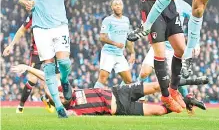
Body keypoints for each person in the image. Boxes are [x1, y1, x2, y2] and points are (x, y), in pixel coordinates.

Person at [18, 0, 87, 118]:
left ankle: (64, 81)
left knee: (64, 63)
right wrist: (26, 3)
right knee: (48, 66)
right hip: (40, 28)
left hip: (60, 25)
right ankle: (59, 107)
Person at [11, 64, 207, 117]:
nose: (61, 94)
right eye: (59, 97)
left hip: (118, 92)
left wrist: (27, 68)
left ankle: (186, 88)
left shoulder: (67, 90)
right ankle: (186, 102)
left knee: (157, 85)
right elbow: (70, 117)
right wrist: (65, 114)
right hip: (121, 109)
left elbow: (48, 78)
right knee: (161, 110)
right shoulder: (72, 110)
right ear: (59, 103)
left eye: (59, 93)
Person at [138, 0, 200, 100]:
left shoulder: (183, 5)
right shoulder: (159, 3)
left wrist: (196, 43)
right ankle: (137, 95)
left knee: (177, 77)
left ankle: (188, 100)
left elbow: (194, 22)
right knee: (144, 72)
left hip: (174, 47)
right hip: (158, 44)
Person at [3, 15, 56, 114]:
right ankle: (20, 106)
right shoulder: (34, 16)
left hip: (50, 51)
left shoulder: (52, 15)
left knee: (51, 81)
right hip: (36, 52)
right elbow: (21, 30)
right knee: (32, 79)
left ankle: (47, 98)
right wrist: (11, 45)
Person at [94, 0, 135, 88]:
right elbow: (102, 37)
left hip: (119, 55)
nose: (118, 6)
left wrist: (132, 53)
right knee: (103, 79)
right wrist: (115, 44)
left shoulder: (126, 20)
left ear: (122, 6)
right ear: (112, 7)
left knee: (128, 80)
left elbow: (128, 38)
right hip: (108, 53)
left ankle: (119, 99)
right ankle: (94, 99)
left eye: (120, 4)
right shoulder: (108, 20)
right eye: (115, 4)